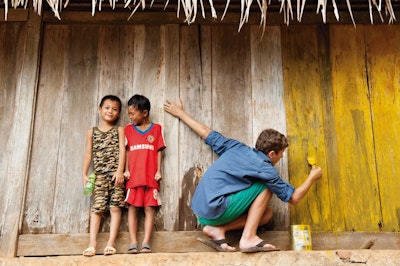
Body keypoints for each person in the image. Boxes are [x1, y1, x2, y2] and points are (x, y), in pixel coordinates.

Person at [163, 99, 323, 253]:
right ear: (272, 153)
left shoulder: (237, 147)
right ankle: (248, 238)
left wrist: (180, 113)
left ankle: (218, 230)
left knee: (267, 214)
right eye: (281, 154)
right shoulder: (266, 169)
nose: (281, 157)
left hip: (200, 209)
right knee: (267, 186)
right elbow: (293, 198)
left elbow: (206, 133)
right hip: (215, 208)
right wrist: (312, 177)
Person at [82, 95, 126, 256]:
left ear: (119, 113)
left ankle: (111, 243)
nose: (110, 111)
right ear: (100, 109)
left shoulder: (119, 130)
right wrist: (84, 174)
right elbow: (88, 154)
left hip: (117, 176)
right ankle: (92, 244)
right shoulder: (91, 131)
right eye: (107, 108)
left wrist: (120, 170)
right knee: (97, 209)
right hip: (99, 176)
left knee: (115, 207)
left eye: (115, 109)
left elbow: (123, 149)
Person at [124, 94, 166, 254]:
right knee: (133, 208)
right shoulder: (128, 130)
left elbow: (159, 151)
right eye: (129, 113)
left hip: (151, 177)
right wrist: (126, 169)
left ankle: (146, 242)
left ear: (145, 112)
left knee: (150, 209)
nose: (131, 117)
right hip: (134, 176)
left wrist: (158, 171)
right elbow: (126, 151)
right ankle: (133, 242)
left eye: (133, 113)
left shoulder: (157, 129)